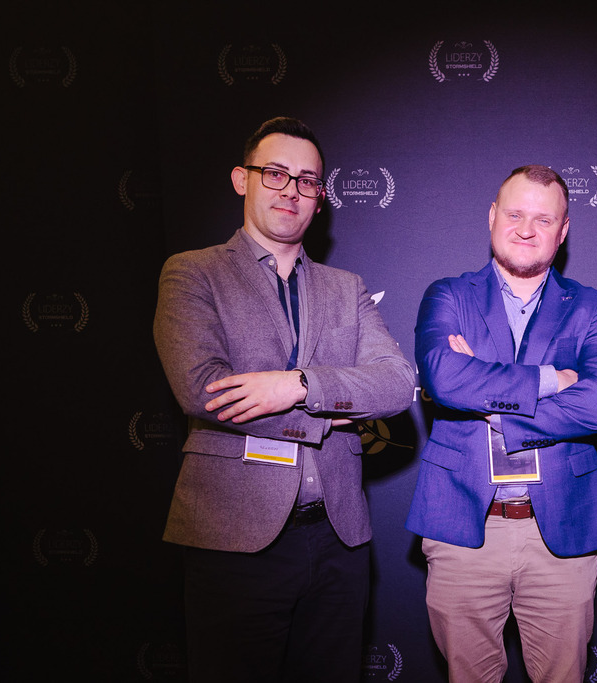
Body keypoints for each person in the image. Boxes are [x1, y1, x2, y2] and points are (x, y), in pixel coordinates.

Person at [153, 116, 415, 682]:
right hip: (232, 537)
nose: (291, 190)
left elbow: (396, 383)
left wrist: (296, 385)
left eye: (307, 180)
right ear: (241, 179)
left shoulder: (346, 287)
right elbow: (203, 388)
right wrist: (328, 416)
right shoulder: (193, 273)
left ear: (320, 199)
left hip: (339, 541)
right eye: (275, 173)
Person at [406, 165, 597, 682]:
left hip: (562, 530)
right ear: (492, 216)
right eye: (515, 214)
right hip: (463, 524)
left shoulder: (593, 307)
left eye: (543, 219)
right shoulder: (448, 295)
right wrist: (553, 379)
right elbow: (443, 379)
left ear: (563, 231)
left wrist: (489, 401)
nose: (526, 229)